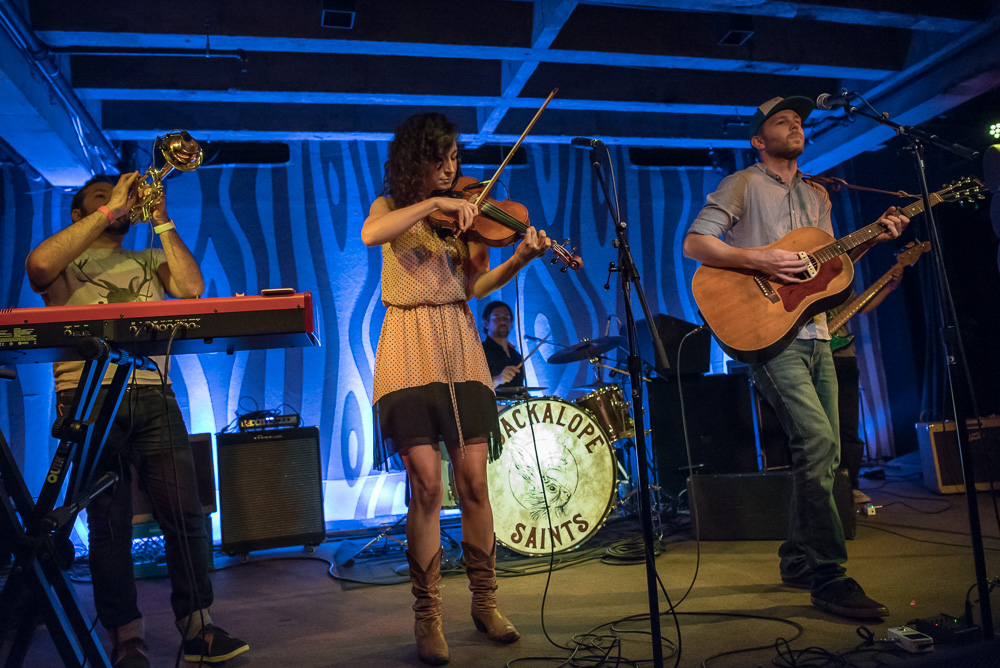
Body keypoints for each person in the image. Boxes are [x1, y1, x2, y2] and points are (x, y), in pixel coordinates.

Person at [683, 96, 909, 619]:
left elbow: (826, 270)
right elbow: (697, 244)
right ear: (759, 140)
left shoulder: (818, 196)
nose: (796, 125)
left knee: (823, 455)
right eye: (783, 121)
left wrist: (877, 235)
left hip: (815, 332)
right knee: (819, 440)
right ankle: (829, 574)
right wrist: (757, 257)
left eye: (799, 120)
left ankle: (795, 557)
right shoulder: (742, 184)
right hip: (766, 336)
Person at [25, 174, 249, 667]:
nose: (118, 202)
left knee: (186, 515)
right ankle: (127, 637)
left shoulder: (149, 257)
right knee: (108, 525)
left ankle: (198, 629)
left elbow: (191, 289)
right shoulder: (68, 258)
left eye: (121, 196)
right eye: (101, 198)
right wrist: (112, 209)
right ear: (79, 215)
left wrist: (161, 217)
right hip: (88, 399)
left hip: (153, 393)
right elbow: (39, 267)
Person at [362, 112, 551, 665]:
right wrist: (435, 204)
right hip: (406, 346)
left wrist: (518, 258)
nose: (449, 169)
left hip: (460, 343)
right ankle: (428, 617)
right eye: (438, 159)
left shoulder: (468, 219)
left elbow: (475, 286)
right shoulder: (391, 208)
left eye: (453, 160)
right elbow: (374, 235)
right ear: (414, 160)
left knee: (472, 481)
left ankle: (485, 603)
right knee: (425, 486)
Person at [480, 300, 526, 392]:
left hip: (515, 406)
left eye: (506, 317)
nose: (502, 321)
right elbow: (472, 389)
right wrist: (497, 379)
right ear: (486, 324)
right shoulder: (479, 352)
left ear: (511, 324)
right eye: (496, 317)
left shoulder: (517, 356)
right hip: (491, 406)